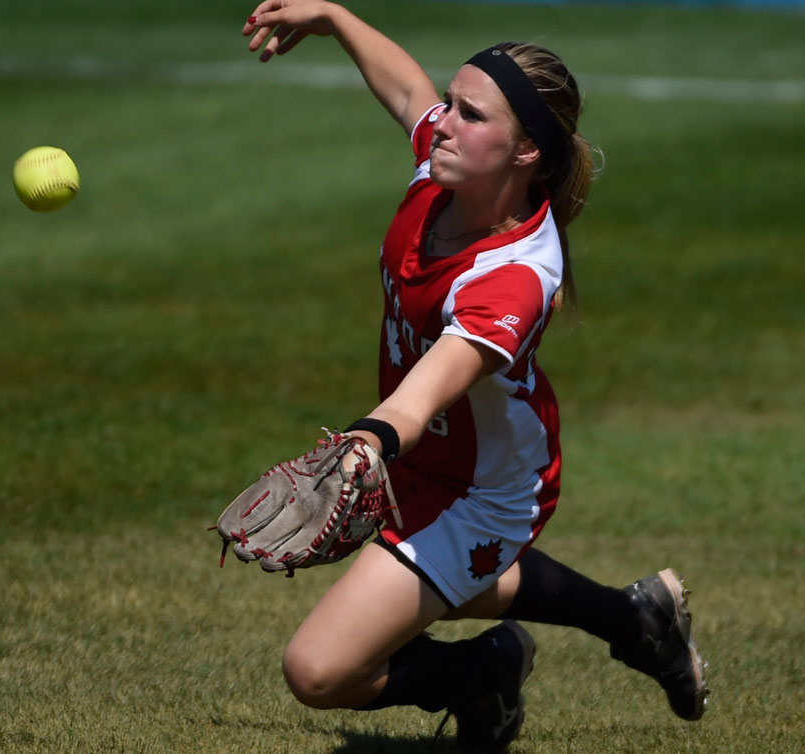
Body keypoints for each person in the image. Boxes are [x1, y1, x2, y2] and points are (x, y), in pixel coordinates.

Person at [238, 2, 709, 750]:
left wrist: (368, 441)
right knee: (440, 588)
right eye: (451, 106)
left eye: (470, 114)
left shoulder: (513, 277)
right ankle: (636, 618)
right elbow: (402, 90)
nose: (443, 122)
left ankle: (482, 674)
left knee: (319, 670)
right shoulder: (452, 169)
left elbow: (429, 389)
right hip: (432, 458)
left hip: (483, 486)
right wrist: (333, 15)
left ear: (526, 153)